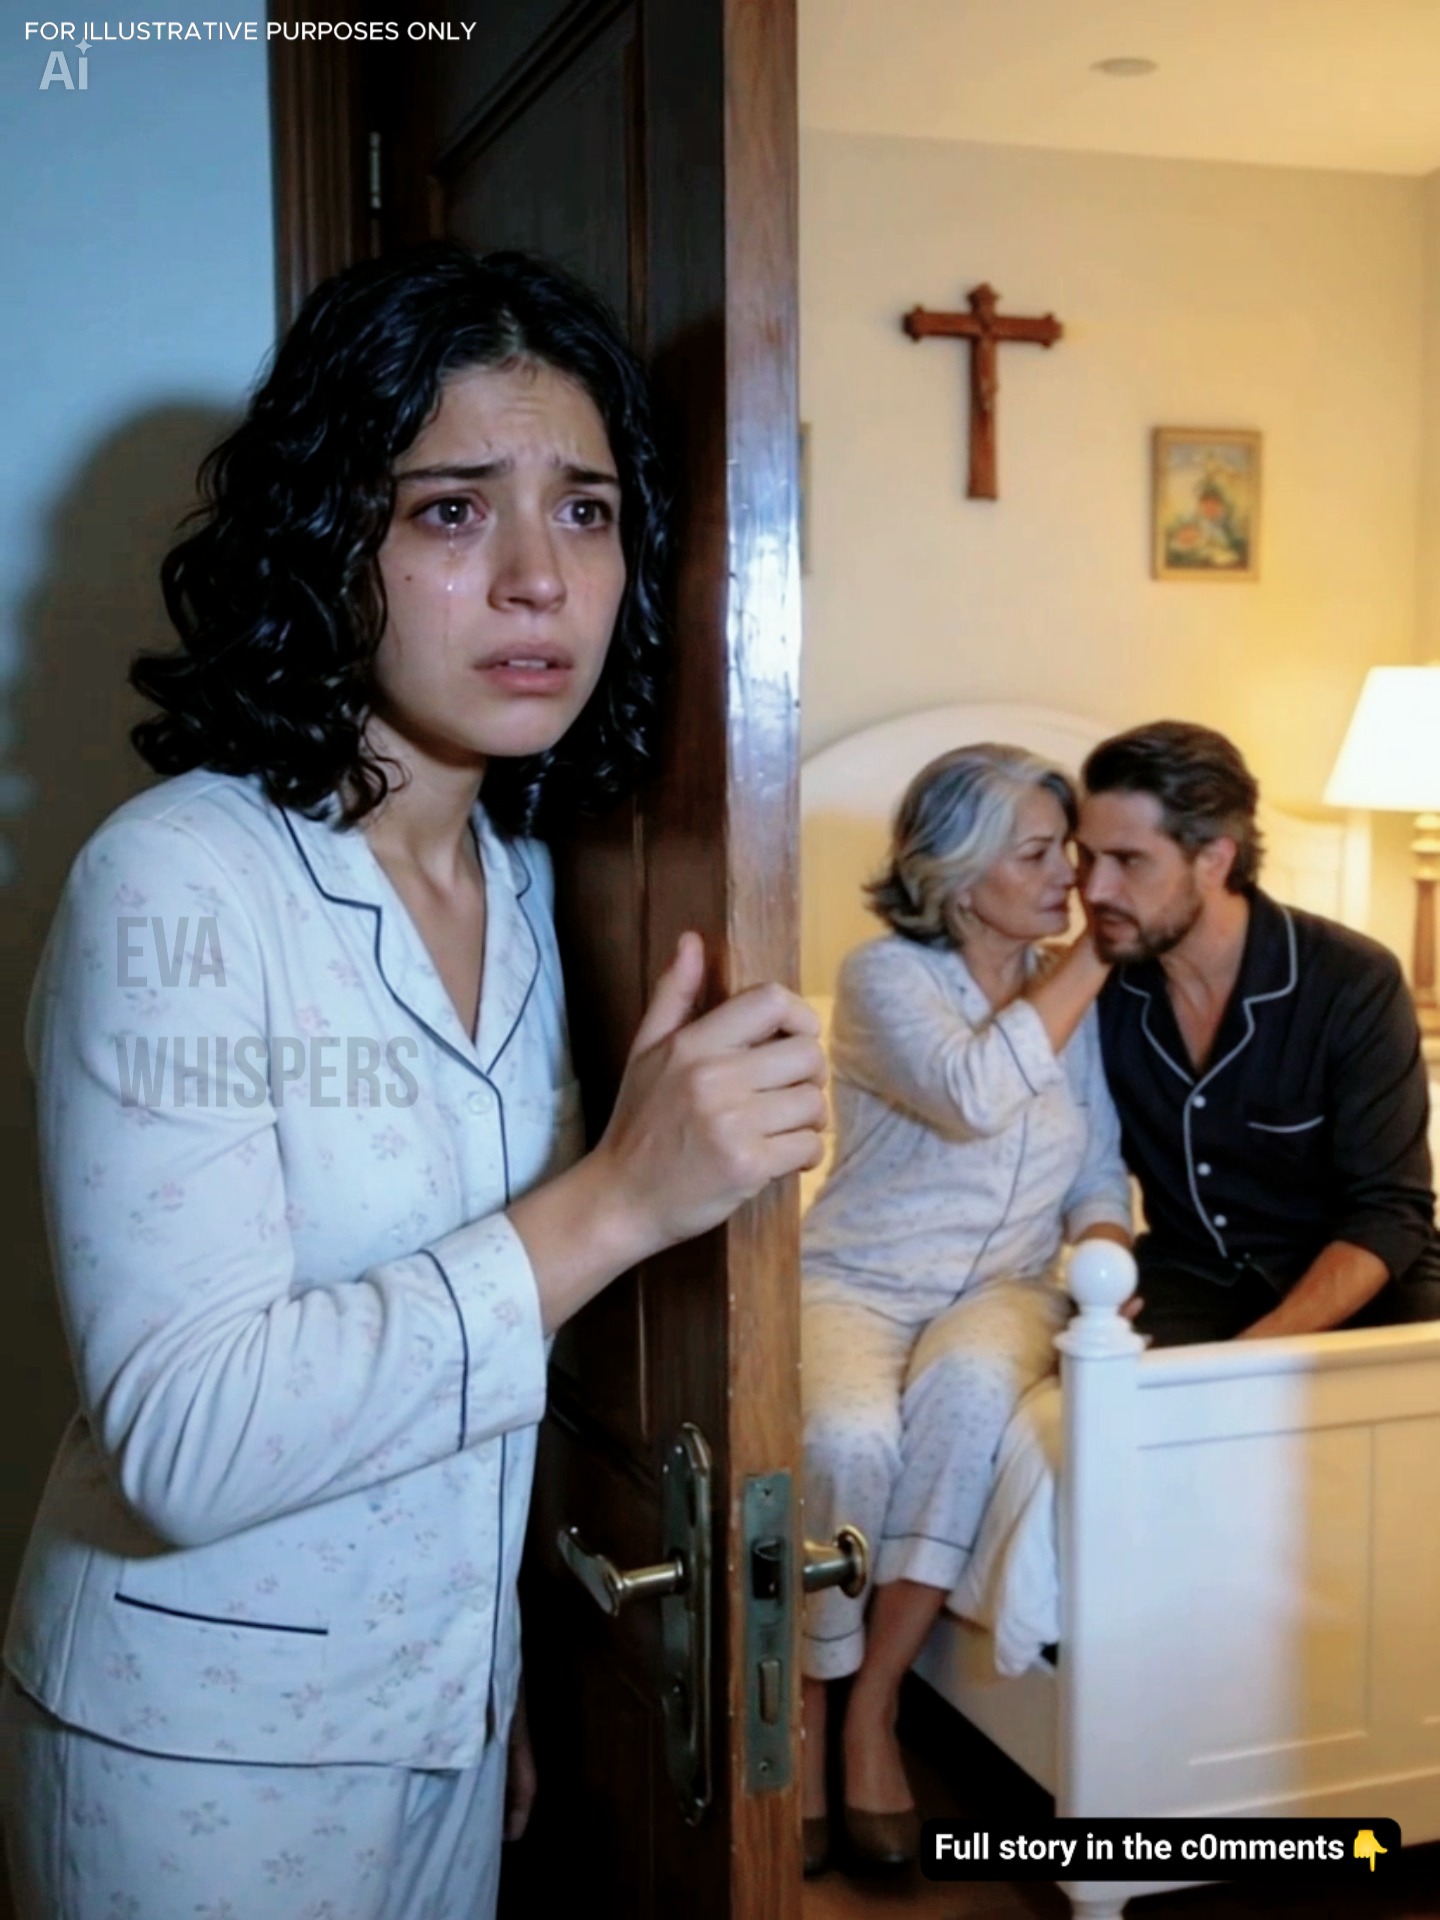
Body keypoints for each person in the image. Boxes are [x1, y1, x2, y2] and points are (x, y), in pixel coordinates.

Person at [0, 245, 827, 1920]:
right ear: (331, 541)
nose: (538, 580)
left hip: (440, 1722)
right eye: (454, 510)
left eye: (586, 511)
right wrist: (619, 1197)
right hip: (194, 1757)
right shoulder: (178, 879)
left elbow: (464, 1378)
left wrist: (479, 1674)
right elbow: (187, 1437)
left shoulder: (524, 883)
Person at [798, 744, 1132, 1876]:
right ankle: (806, 1699)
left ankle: (874, 1707)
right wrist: (1094, 957)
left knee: (972, 1390)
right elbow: (974, 1093)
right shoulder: (884, 977)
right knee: (847, 1438)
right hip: (859, 1277)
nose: (1069, 877)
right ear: (955, 872)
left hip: (1008, 1289)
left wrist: (1107, 1257)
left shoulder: (1073, 995)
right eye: (1036, 854)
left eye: (1066, 852)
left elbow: (1097, 1170)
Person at [1079, 719, 1440, 1346]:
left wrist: (1252, 1361)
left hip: (1365, 1280)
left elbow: (1389, 1212)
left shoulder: (1352, 980)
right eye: (1085, 857)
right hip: (1191, 1277)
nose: (1094, 889)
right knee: (1113, 1390)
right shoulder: (1097, 992)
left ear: (1215, 859)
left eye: (1128, 861)